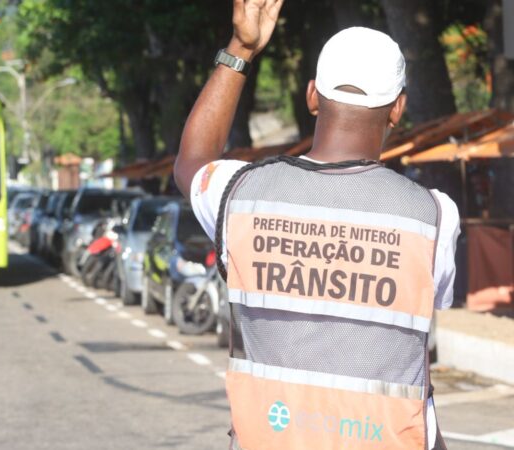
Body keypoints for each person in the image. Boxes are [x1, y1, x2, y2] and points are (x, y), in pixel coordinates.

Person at [174, 1, 460, 449]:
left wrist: (241, 48)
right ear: (397, 109)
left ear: (312, 96)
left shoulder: (240, 193)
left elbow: (191, 161)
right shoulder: (434, 217)